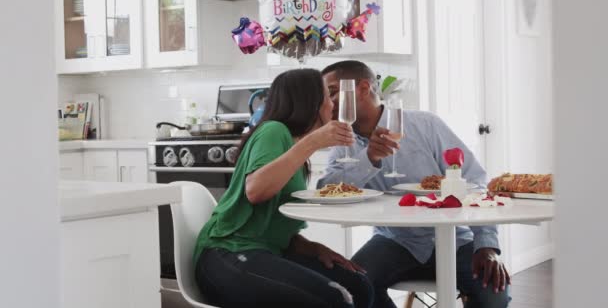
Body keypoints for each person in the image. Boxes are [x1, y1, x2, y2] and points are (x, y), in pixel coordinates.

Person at [318, 60, 511, 308]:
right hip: (396, 240)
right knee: (352, 288)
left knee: (494, 295)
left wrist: (486, 245)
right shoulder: (342, 141)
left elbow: (474, 180)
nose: (328, 103)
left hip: (457, 239)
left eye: (333, 92)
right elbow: (327, 189)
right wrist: (369, 159)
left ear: (363, 88)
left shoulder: (425, 125)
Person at [193, 68, 374, 308]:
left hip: (266, 250)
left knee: (359, 286)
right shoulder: (274, 130)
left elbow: (268, 223)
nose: (332, 104)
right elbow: (255, 191)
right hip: (227, 254)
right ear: (310, 103)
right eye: (327, 97)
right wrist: (313, 141)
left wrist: (313, 248)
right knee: (335, 299)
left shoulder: (292, 146)